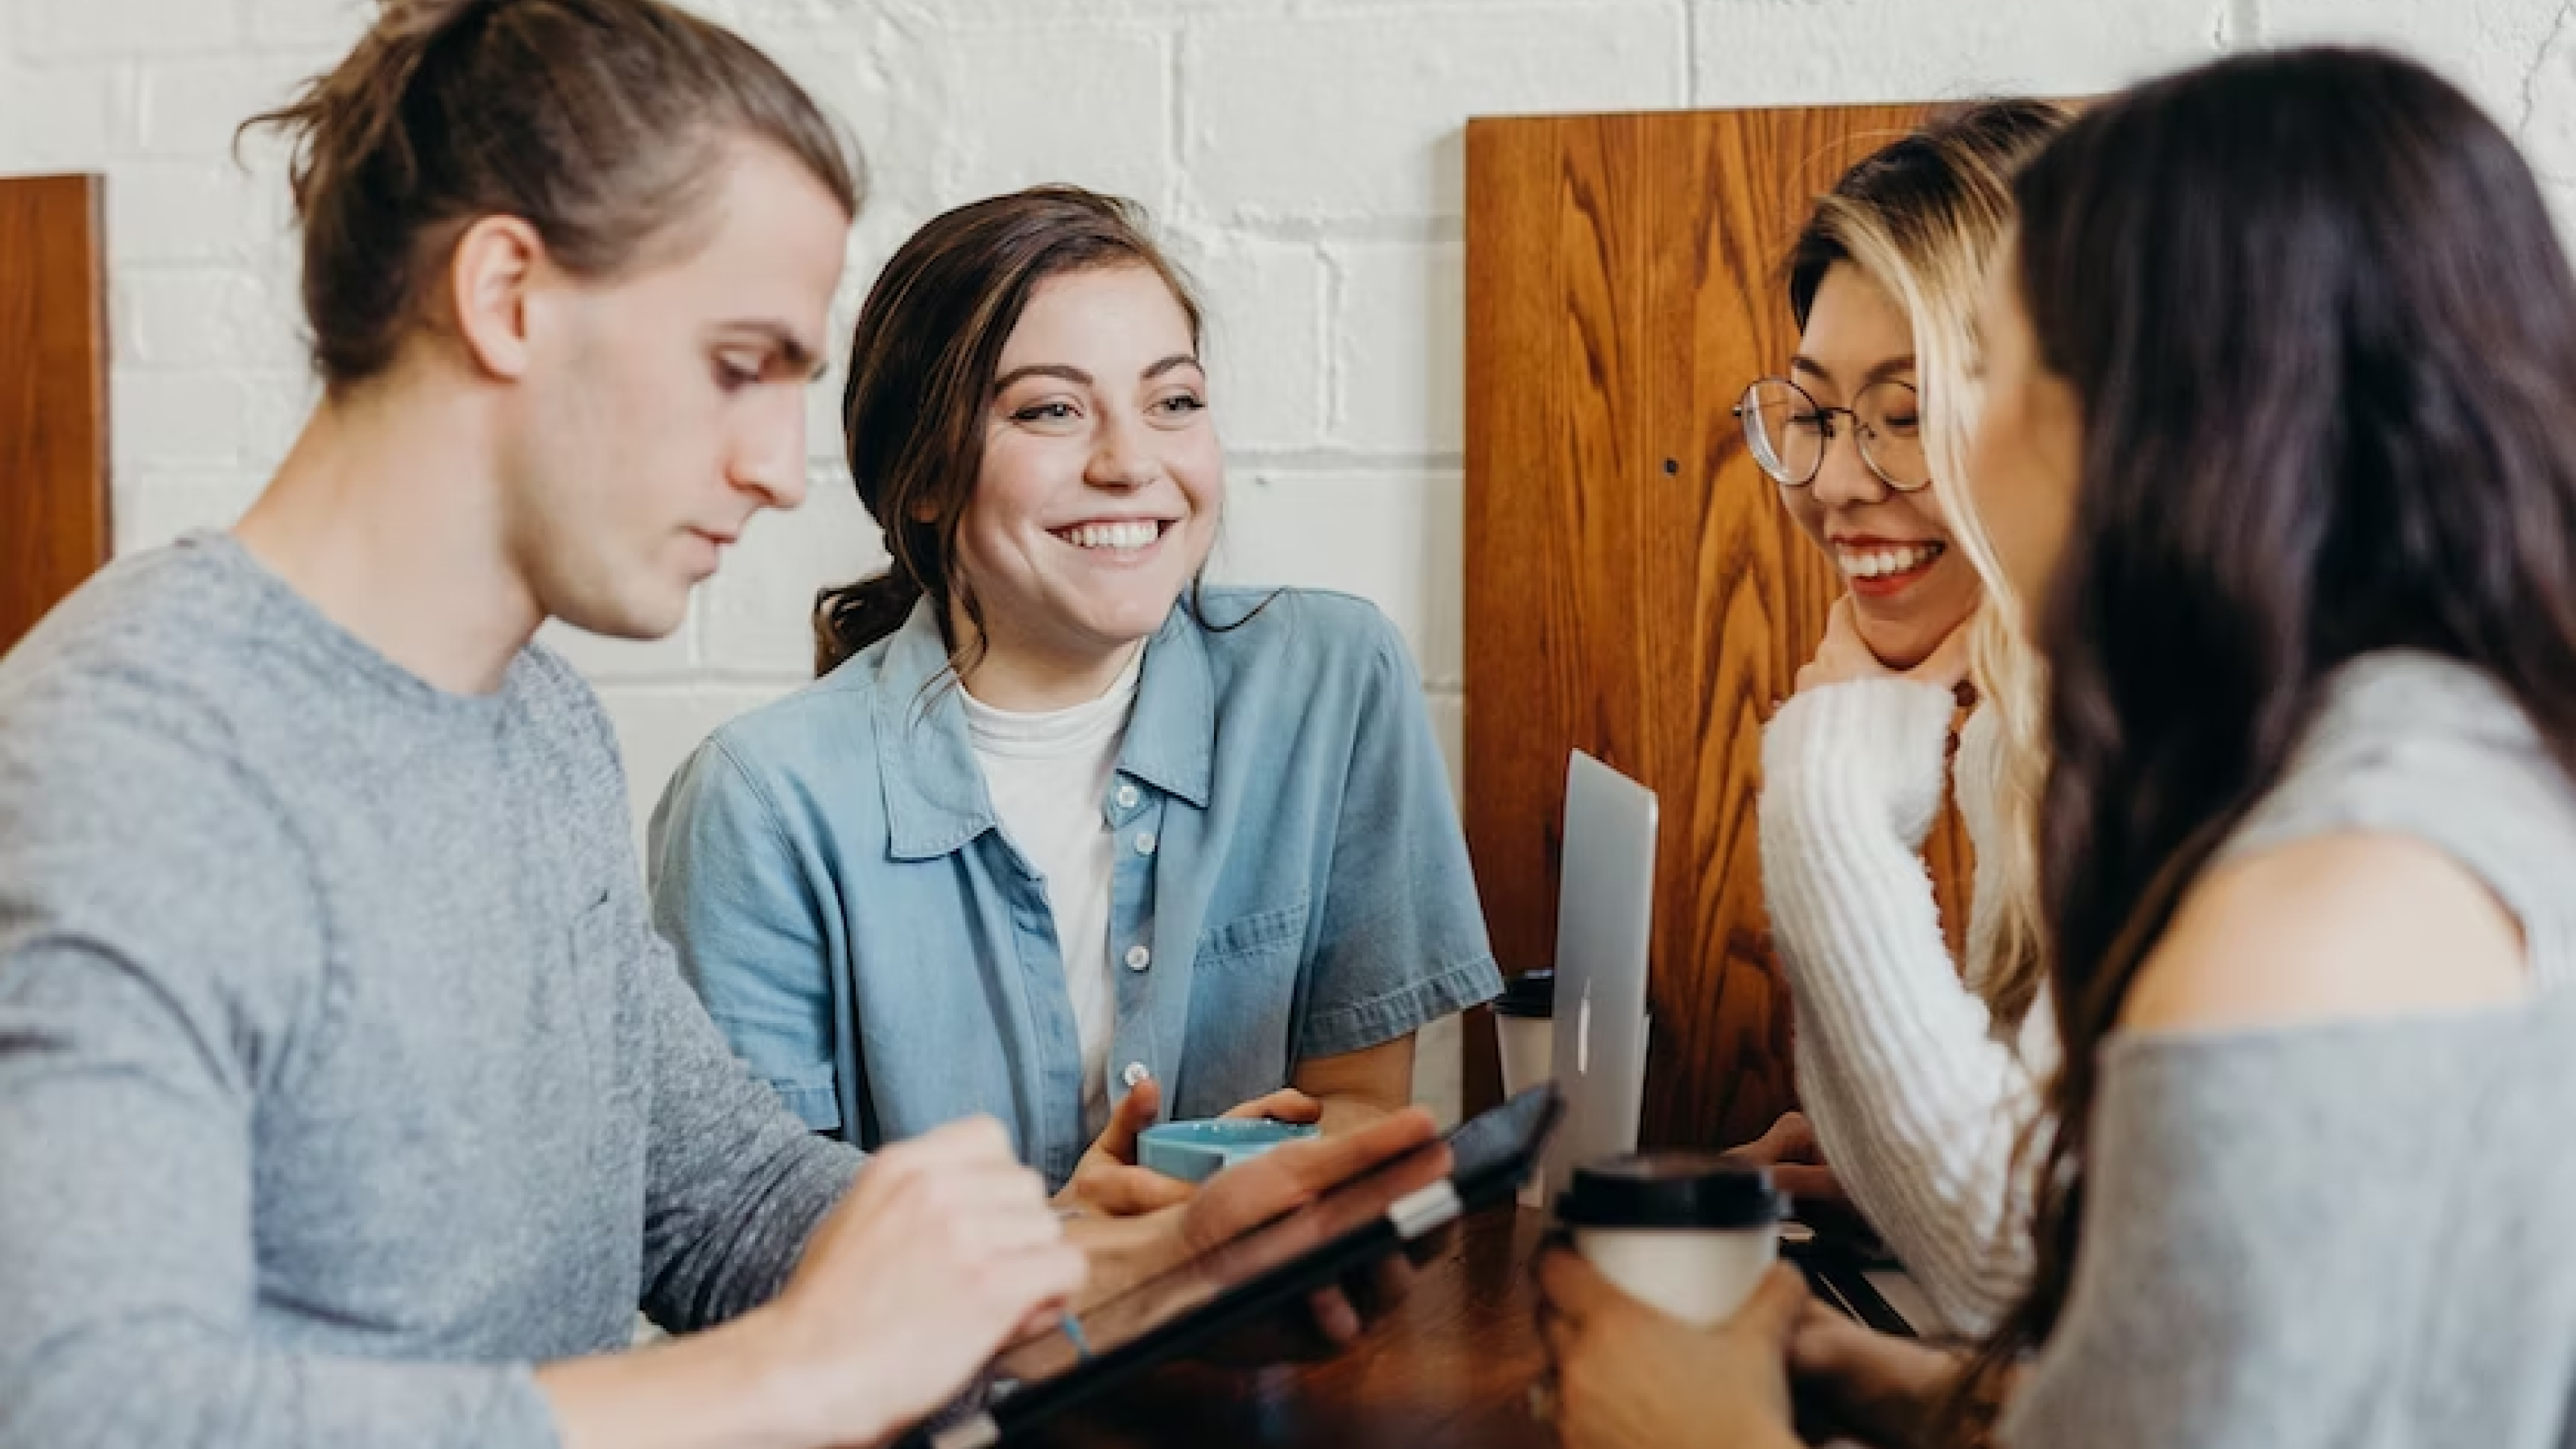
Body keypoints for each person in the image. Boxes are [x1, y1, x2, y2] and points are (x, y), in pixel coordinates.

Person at [0, 5, 1435, 1447]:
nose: (769, 468)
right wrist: (788, 1378)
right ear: (504, 295)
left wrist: (1129, 1274)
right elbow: (87, 1411)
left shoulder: (533, 725)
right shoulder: (131, 760)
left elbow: (723, 1199)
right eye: (739, 364)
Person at [1538, 45, 2576, 1448]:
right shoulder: (2440, 774)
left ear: (2177, 421)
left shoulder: (2310, 913)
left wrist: (1702, 1433)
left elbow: (2043, 1274)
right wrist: (1900, 1387)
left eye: (1986, 374)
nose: (1871, 468)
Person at [648, 185, 1502, 1206]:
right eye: (1050, 410)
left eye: (1172, 401)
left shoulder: (1329, 681)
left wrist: (1245, 1192)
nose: (1131, 463)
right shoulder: (759, 803)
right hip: (950, 1367)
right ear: (921, 476)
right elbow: (750, 1237)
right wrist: (1072, 1255)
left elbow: (1361, 1105)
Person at [1728, 101, 2066, 1335]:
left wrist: (1825, 792)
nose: (1834, 481)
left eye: (1908, 414)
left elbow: (2016, 1276)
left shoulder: (2170, 742)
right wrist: (1883, 1172)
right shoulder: (2018, 729)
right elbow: (2049, 1221)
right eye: (1813, 414)